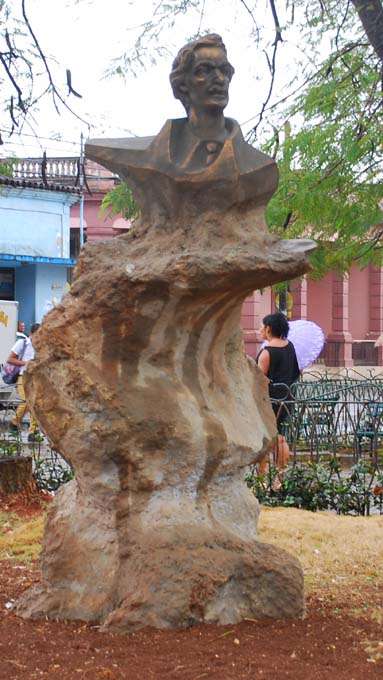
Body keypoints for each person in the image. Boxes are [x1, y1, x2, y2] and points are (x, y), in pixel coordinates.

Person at [256, 312, 300, 478]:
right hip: (287, 399)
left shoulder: (267, 352)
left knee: (265, 438)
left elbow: (259, 381)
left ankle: (261, 477)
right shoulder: (290, 347)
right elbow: (296, 372)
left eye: (262, 326)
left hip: (270, 401)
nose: (260, 329)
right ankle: (280, 475)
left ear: (269, 328)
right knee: (280, 437)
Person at [7, 322, 40, 442]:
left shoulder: (41, 346)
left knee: (35, 404)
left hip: (36, 377)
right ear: (32, 334)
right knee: (26, 401)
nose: (39, 338)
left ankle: (32, 432)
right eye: (37, 335)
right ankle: (14, 421)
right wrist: (26, 363)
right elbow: (10, 359)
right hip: (22, 376)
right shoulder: (23, 343)